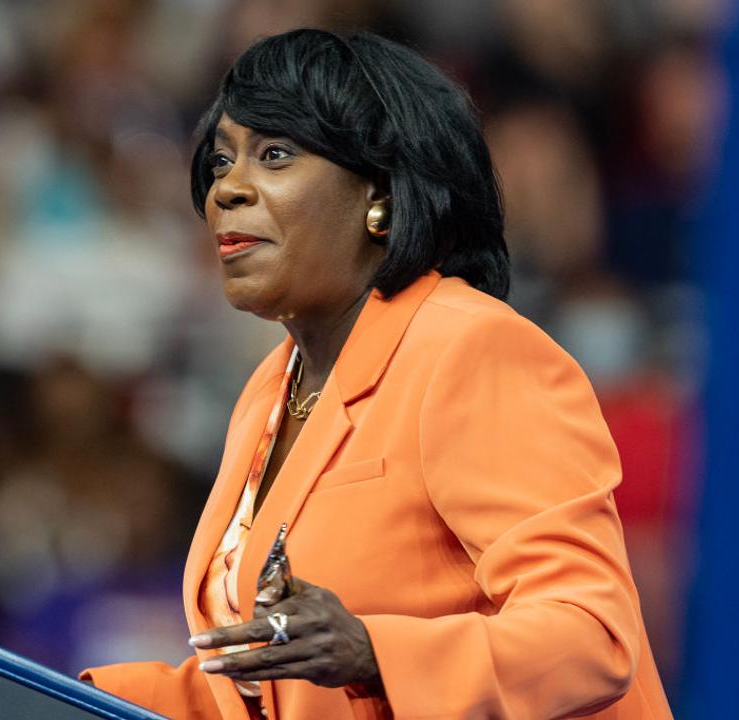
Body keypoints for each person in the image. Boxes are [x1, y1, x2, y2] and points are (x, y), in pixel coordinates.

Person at [81, 29, 673, 719]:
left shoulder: (471, 349)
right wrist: (61, 698)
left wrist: (373, 652)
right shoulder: (270, 392)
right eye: (220, 160)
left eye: (275, 154)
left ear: (380, 193)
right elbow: (270, 684)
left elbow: (591, 637)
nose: (228, 190)